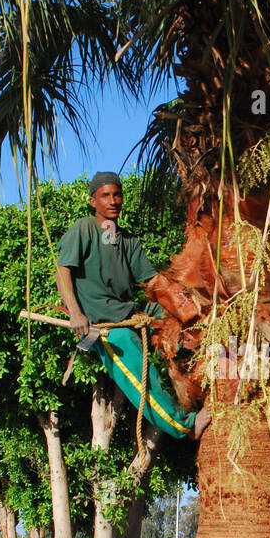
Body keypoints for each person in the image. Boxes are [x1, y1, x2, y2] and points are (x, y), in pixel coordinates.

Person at [56, 173, 211, 442]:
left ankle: (208, 377)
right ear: (93, 201)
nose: (113, 200)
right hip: (103, 327)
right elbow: (62, 271)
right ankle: (185, 426)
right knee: (143, 377)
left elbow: (152, 282)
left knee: (185, 325)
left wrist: (190, 306)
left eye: (117, 195)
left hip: (132, 313)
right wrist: (76, 313)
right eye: (105, 195)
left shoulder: (128, 241)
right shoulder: (83, 229)